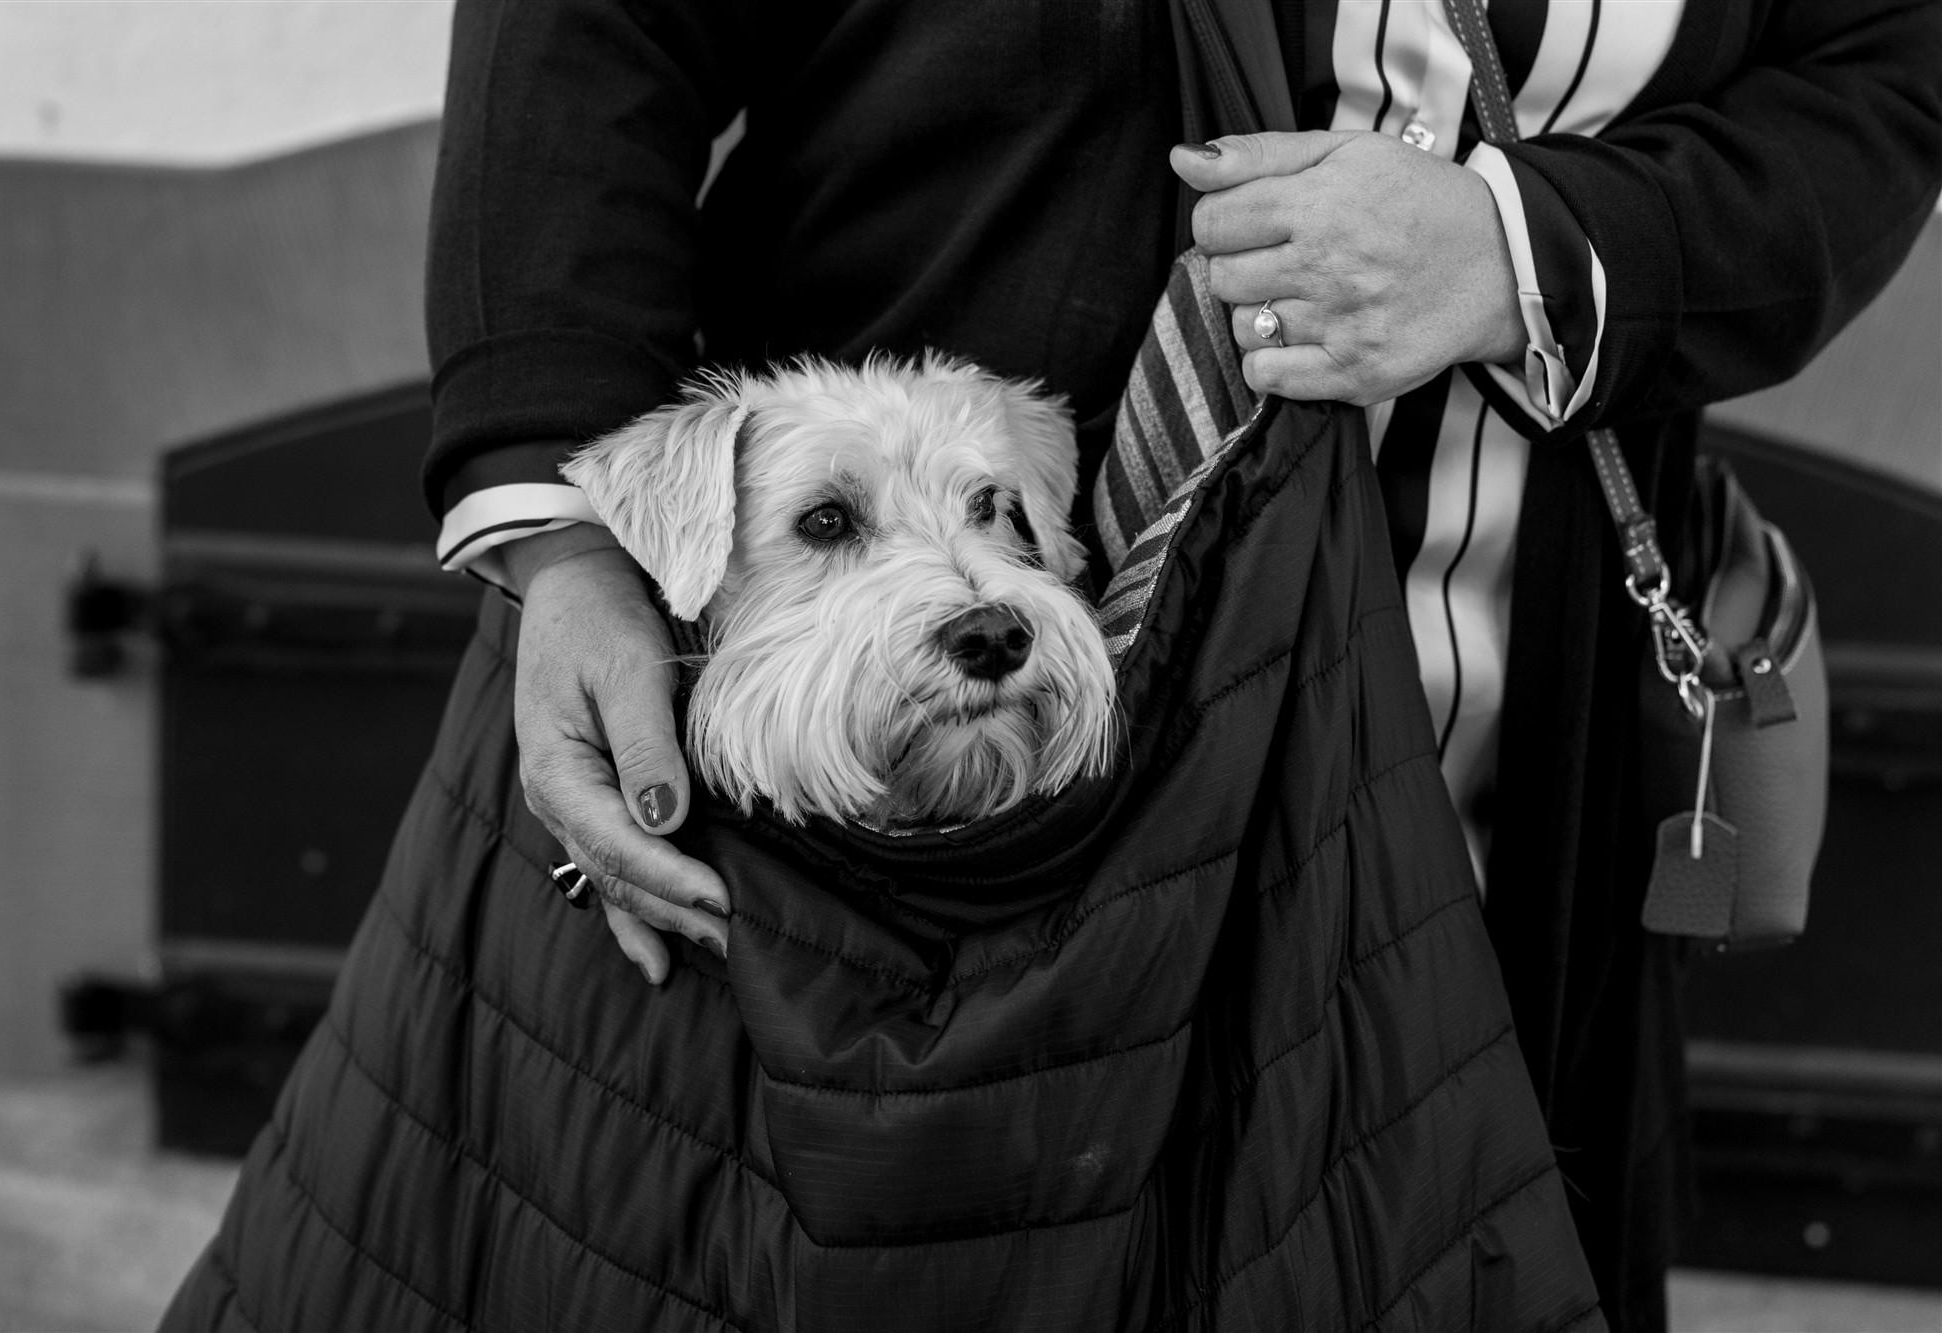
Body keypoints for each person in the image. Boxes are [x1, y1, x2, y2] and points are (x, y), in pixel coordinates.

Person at [407, 3, 1941, 1329]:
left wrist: (1532, 250)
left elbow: (1882, 65)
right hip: (928, 721)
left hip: (1524, 678)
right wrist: (562, 518)